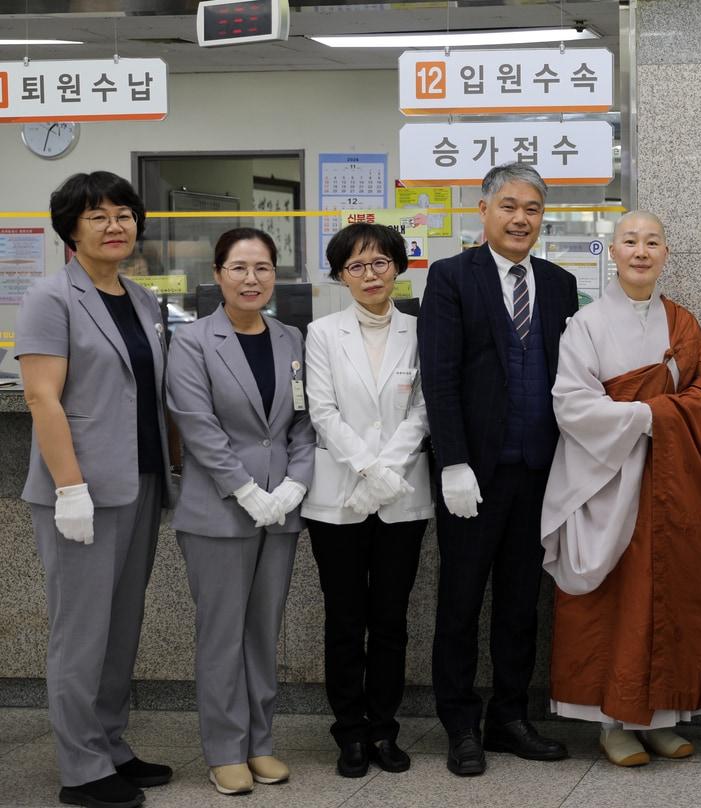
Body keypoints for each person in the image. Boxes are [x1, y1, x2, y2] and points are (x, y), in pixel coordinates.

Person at [540, 212, 701, 767]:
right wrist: (651, 416)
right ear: (613, 251)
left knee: (670, 593)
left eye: (652, 242)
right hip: (607, 480)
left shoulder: (683, 323)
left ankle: (661, 720)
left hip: (676, 481)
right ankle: (612, 723)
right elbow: (573, 404)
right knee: (616, 600)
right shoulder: (585, 324)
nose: (641, 251)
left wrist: (655, 414)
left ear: (666, 254)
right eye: (630, 241)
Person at [17, 171, 175, 808]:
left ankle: (109, 742)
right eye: (98, 216)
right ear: (71, 229)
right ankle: (81, 768)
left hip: (137, 481)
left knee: (120, 628)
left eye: (125, 214)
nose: (116, 226)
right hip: (79, 492)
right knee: (81, 632)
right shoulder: (49, 298)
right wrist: (70, 488)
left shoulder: (141, 299)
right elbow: (41, 396)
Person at [418, 162, 579, 777]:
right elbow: (440, 375)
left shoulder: (561, 284)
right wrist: (453, 462)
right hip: (473, 476)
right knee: (460, 601)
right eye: (508, 205)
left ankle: (510, 717)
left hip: (538, 471)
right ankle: (461, 724)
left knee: (519, 602)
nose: (520, 218)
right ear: (483, 211)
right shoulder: (451, 277)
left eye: (532, 209)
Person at [166, 228, 315, 796]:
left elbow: (304, 424)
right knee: (222, 633)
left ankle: (260, 742)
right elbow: (196, 424)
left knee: (262, 631)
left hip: (280, 510)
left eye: (262, 268)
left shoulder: (290, 339)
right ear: (218, 275)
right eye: (239, 268)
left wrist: (293, 487)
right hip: (219, 512)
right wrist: (245, 489)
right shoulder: (194, 341)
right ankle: (224, 748)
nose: (251, 279)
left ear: (275, 275)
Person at [302, 223, 433, 778]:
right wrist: (366, 469)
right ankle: (349, 733)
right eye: (356, 266)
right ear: (339, 276)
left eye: (380, 262)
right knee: (344, 615)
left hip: (402, 495)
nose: (370, 274)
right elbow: (322, 410)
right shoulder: (322, 332)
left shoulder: (421, 331)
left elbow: (424, 409)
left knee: (390, 619)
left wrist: (387, 471)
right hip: (339, 496)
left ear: (399, 267)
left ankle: (385, 729)